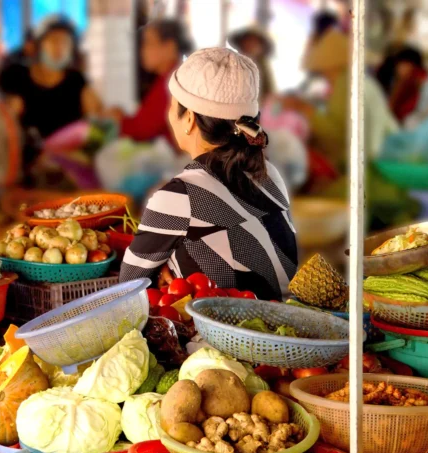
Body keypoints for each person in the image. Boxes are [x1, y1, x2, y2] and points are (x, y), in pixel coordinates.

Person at [119, 48, 298, 301]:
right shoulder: (270, 174)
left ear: (189, 119)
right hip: (281, 329)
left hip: (219, 339)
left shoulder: (180, 196)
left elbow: (127, 289)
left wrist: (161, 273)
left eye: (172, 106)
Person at [281, 23, 398, 174]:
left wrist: (305, 110)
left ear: (330, 65)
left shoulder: (345, 83)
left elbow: (338, 134)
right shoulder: (366, 82)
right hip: (382, 159)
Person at [0, 17, 102, 139]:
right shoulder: (16, 75)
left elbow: (97, 116)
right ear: (39, 45)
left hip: (66, 155)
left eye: (66, 43)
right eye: (54, 41)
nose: (59, 48)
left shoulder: (76, 81)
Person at [107, 19, 192, 146]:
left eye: (148, 43)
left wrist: (117, 120)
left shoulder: (173, 82)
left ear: (169, 47)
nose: (142, 51)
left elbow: (142, 130)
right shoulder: (169, 76)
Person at [376, 46, 428, 122]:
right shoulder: (394, 80)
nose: (401, 68)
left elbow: (390, 110)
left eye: (406, 64)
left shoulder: (416, 79)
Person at [229, 25, 276, 101]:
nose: (250, 45)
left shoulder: (263, 66)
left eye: (254, 42)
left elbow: (269, 91)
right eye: (247, 41)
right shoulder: (234, 62)